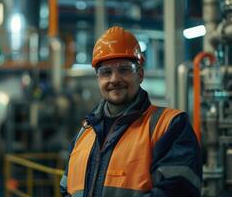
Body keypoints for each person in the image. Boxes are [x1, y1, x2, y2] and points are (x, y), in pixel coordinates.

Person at [60, 26, 202, 197]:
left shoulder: (170, 126)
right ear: (98, 79)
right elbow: (66, 189)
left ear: (140, 74)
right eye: (106, 72)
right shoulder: (84, 133)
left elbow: (180, 190)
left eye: (124, 70)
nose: (114, 79)